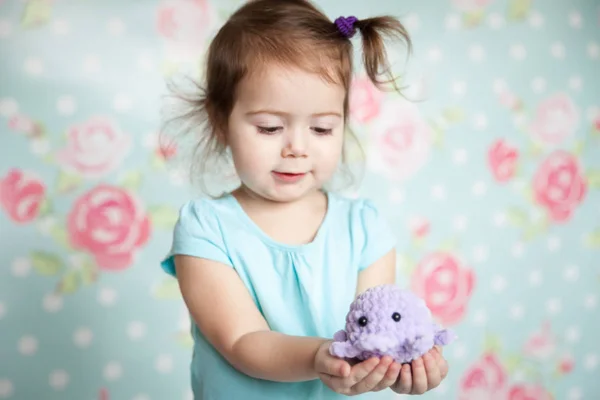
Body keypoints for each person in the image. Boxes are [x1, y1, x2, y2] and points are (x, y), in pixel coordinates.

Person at [160, 0, 449, 398]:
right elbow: (242, 340)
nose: (297, 147)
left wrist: (402, 363)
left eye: (322, 128)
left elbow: (376, 331)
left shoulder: (364, 228)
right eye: (270, 127)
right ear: (220, 121)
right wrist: (320, 355)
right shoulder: (205, 228)